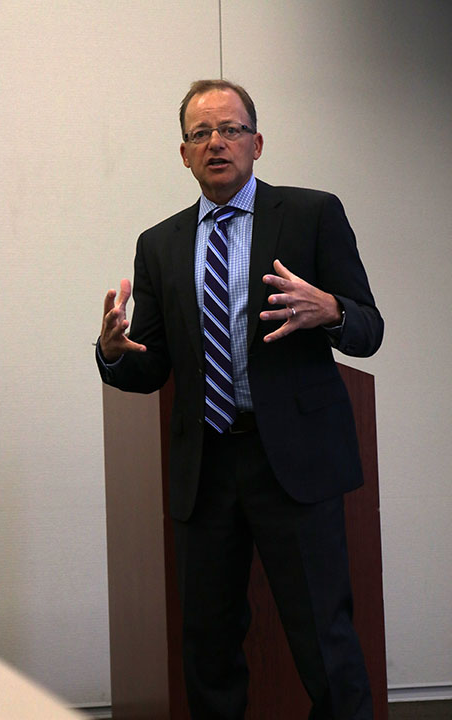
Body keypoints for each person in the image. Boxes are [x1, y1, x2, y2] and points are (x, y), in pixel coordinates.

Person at [96, 79, 384, 720]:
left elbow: (369, 328)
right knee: (208, 647)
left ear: (256, 142)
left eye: (229, 129)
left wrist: (331, 309)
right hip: (207, 470)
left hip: (295, 466)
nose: (216, 143)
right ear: (183, 153)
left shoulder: (312, 214)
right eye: (201, 133)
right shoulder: (160, 244)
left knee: (325, 644)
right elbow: (150, 367)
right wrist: (113, 354)